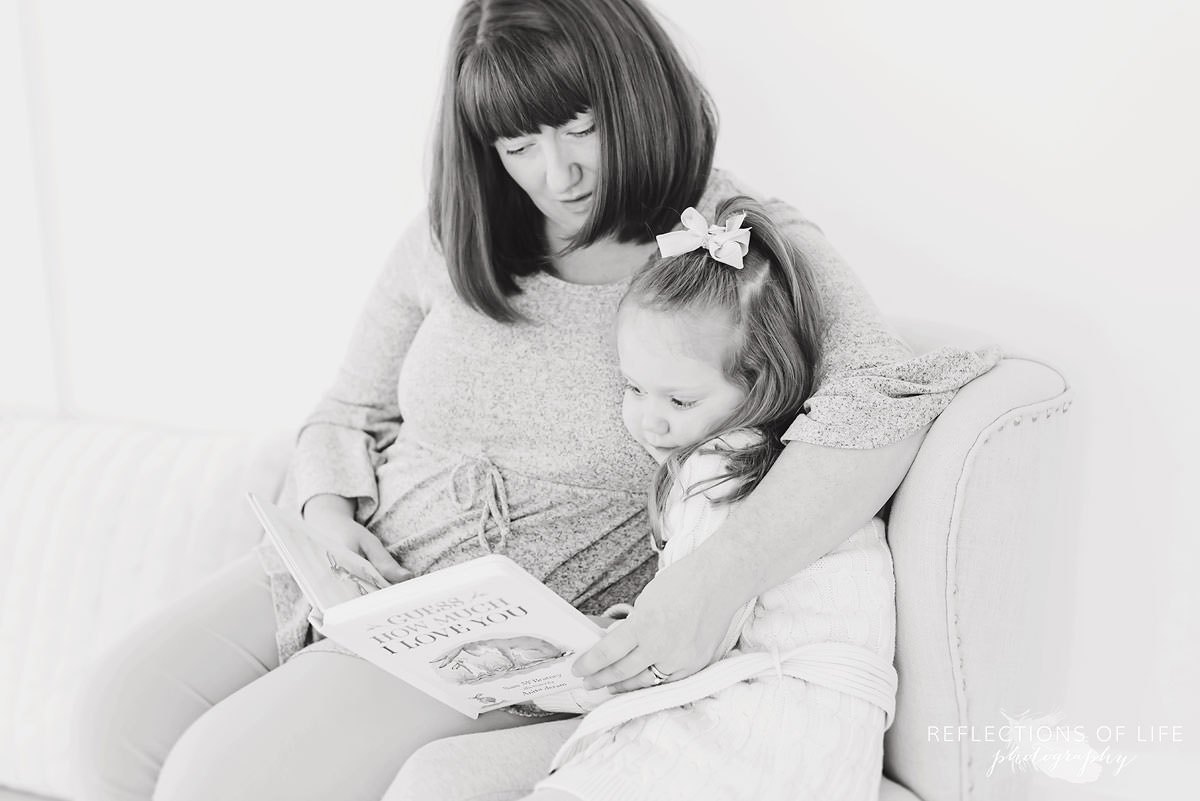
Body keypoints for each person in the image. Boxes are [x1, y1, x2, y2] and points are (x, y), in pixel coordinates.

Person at [72, 1, 998, 799]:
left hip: (511, 623)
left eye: (578, 124)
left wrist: (713, 584)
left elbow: (884, 394)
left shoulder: (734, 242)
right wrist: (325, 506)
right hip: (363, 568)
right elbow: (349, 408)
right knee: (112, 718)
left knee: (218, 780)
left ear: (634, 93)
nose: (556, 174)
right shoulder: (457, 228)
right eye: (518, 143)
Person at [385, 199, 899, 801]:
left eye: (679, 402)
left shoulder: (725, 468)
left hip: (769, 719)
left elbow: (689, 641)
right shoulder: (745, 458)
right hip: (800, 713)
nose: (648, 421)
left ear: (762, 383)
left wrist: (594, 656)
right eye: (633, 388)